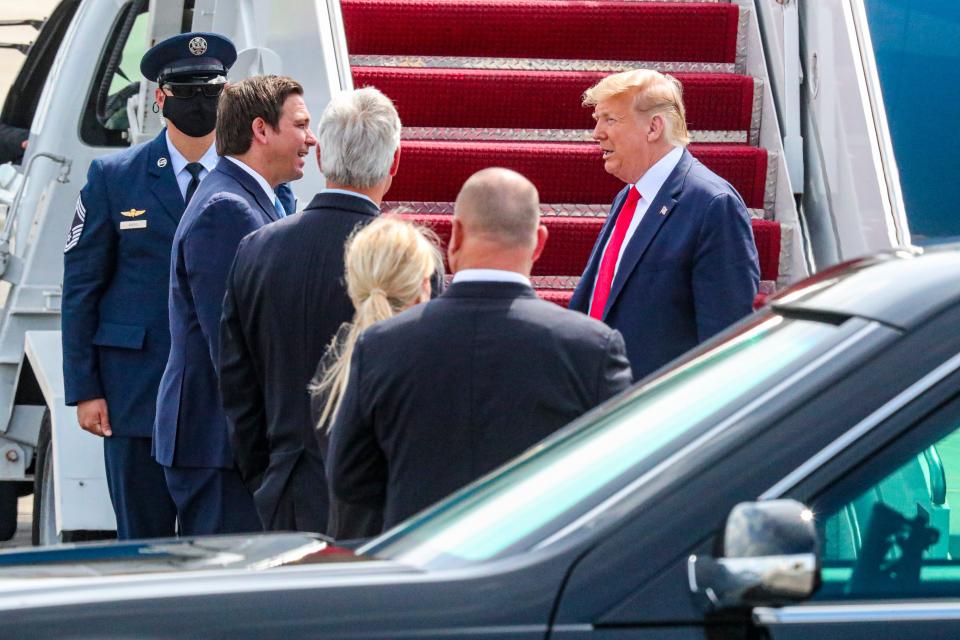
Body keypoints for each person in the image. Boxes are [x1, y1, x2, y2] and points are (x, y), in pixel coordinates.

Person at [326, 168, 633, 537]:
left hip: (415, 570)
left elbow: (348, 478)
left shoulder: (380, 345)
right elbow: (620, 479)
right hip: (532, 578)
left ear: (454, 236)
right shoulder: (592, 351)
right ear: (538, 242)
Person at [60, 32, 236, 540]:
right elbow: (82, 288)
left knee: (217, 547)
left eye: (211, 90)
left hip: (219, 396)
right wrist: (85, 389)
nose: (200, 102)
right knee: (140, 543)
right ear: (161, 97)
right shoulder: (115, 177)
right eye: (185, 90)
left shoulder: (251, 178)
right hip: (134, 393)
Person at [218, 87, 402, 533]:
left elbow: (235, 380)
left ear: (320, 160)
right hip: (382, 501)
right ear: (395, 162)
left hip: (287, 489)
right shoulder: (408, 258)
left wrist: (266, 474)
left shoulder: (257, 249)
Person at [154, 75, 316, 535]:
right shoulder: (228, 209)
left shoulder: (247, 199)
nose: (311, 138)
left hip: (225, 446)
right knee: (222, 596)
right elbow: (231, 347)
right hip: (220, 449)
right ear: (261, 130)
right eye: (301, 124)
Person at [569, 69, 760, 380]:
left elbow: (724, 339)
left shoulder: (713, 205)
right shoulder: (629, 196)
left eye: (610, 119)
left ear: (653, 127)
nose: (597, 132)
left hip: (658, 411)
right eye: (597, 119)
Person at [306, 216, 440, 538]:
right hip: (413, 551)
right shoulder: (431, 364)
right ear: (424, 286)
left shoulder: (336, 362)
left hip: (350, 548)